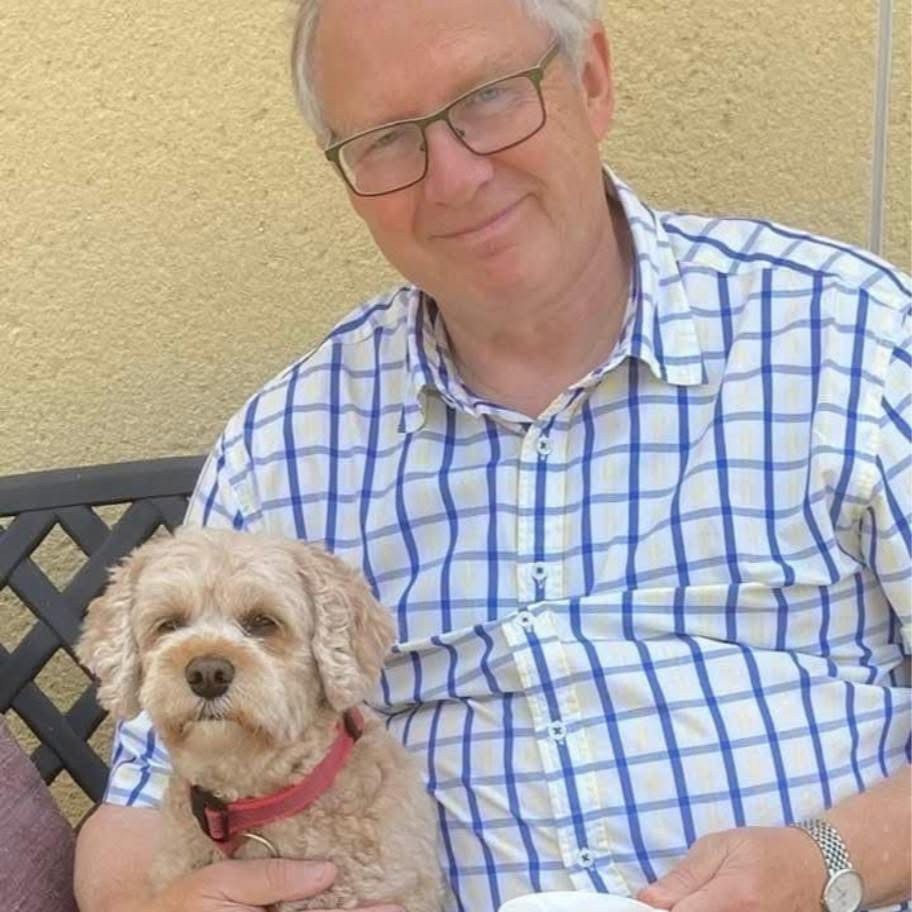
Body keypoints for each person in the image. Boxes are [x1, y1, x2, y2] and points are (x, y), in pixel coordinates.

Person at [74, 0, 911, 910]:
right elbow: (136, 806)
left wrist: (826, 862)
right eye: (387, 139)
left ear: (592, 80)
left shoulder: (855, 340)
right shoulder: (281, 446)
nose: (454, 177)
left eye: (489, 96)